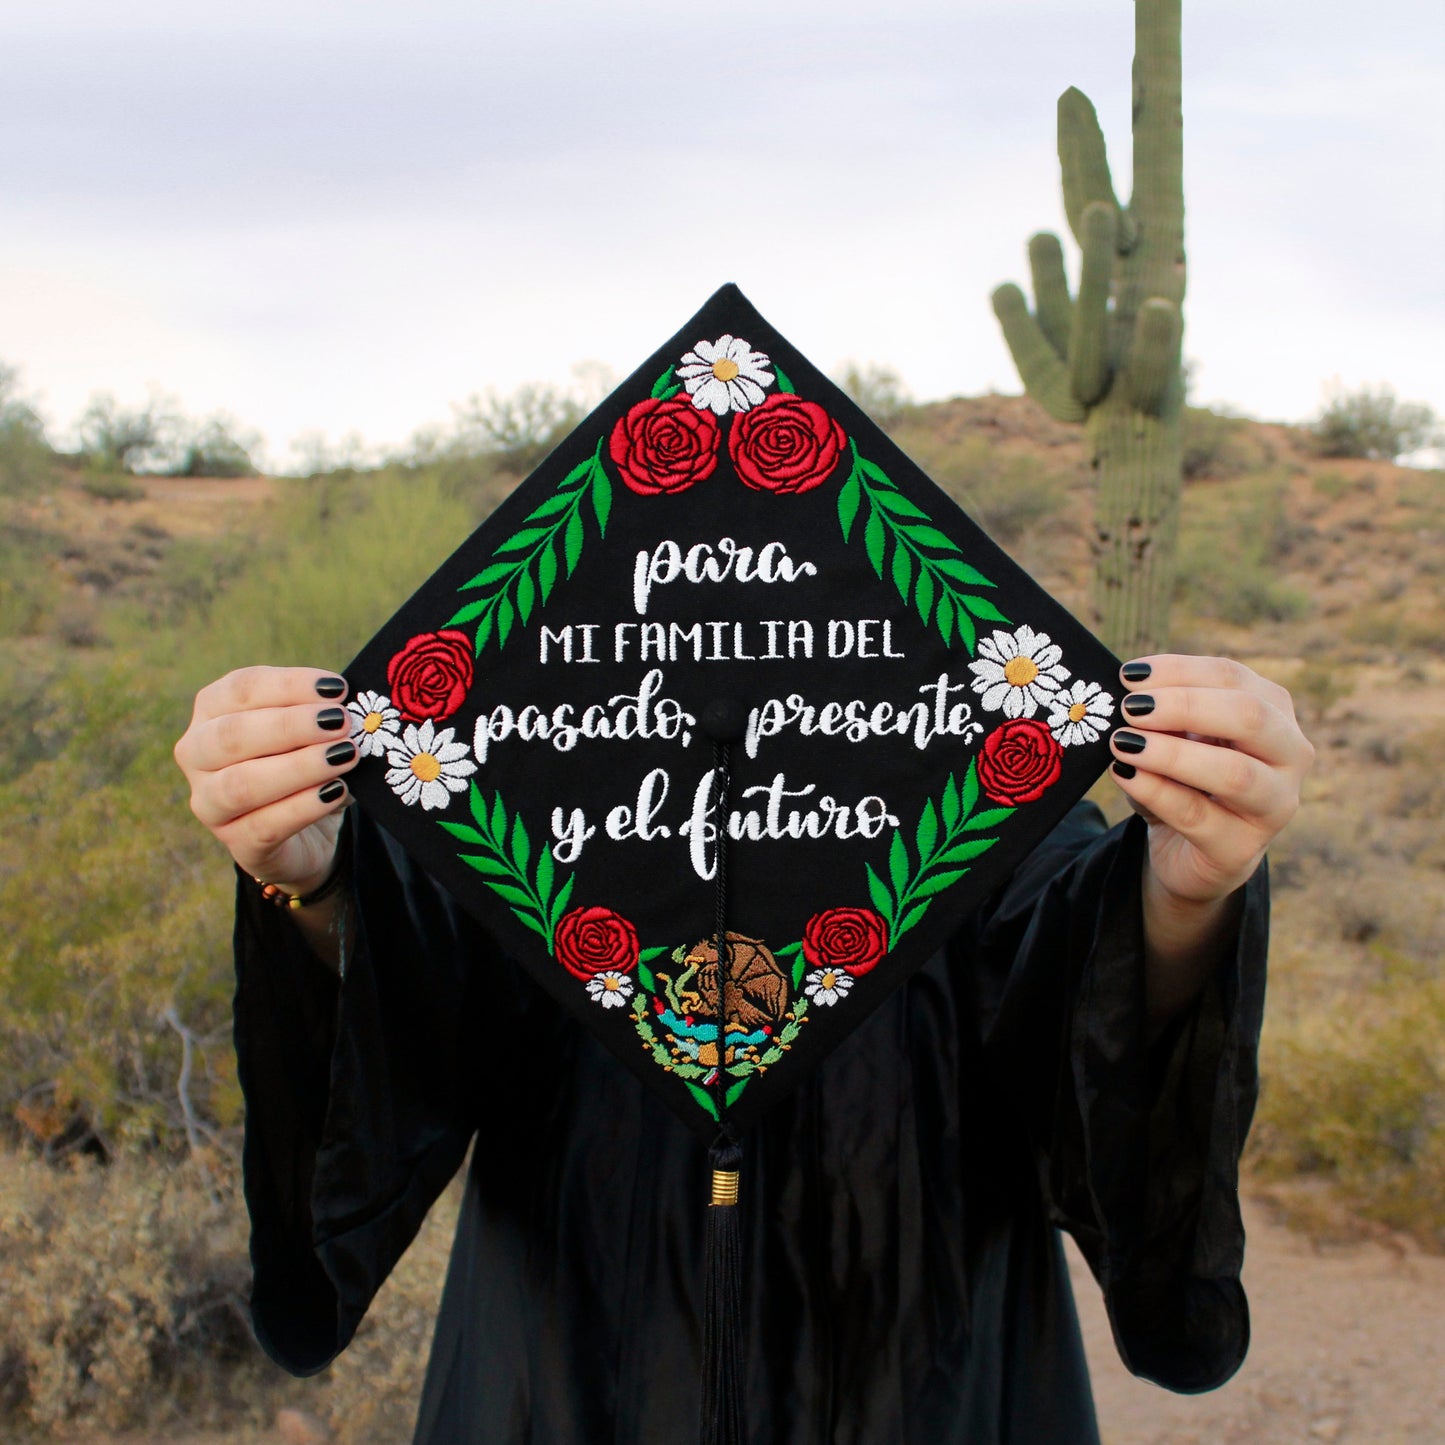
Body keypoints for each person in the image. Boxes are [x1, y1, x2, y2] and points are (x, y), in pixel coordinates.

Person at [174, 652, 1313, 1444]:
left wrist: (1179, 892)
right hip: (561, 1368)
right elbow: (428, 990)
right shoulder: (539, 737)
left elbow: (1068, 972)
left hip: (928, 1370)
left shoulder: (955, 745)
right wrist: (318, 875)